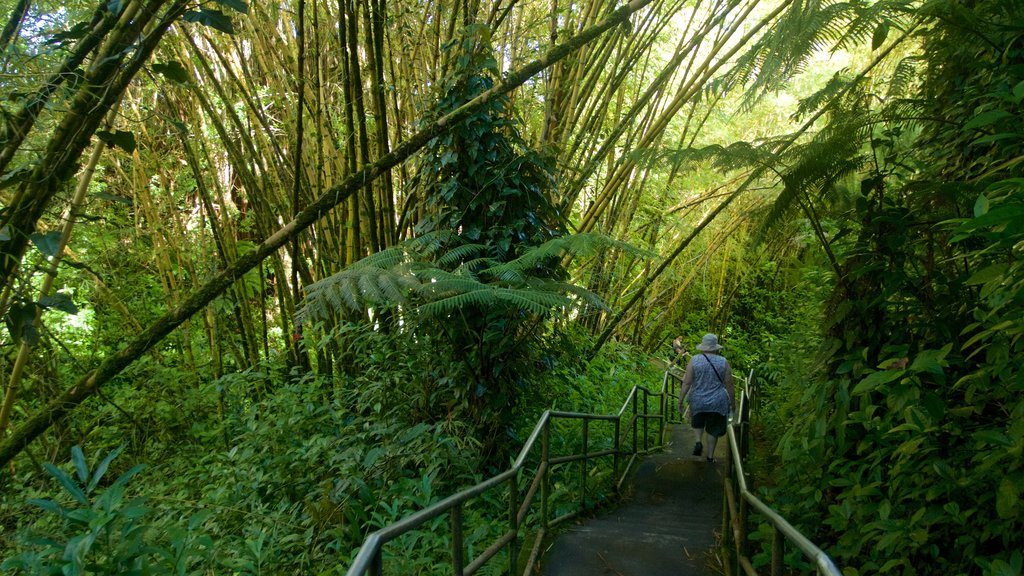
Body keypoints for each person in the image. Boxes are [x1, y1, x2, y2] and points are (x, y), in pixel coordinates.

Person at [677, 333, 735, 463]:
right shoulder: (723, 362)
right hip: (717, 401)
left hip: (697, 400)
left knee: (698, 422)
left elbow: (687, 382)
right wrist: (732, 403)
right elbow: (729, 384)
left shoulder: (695, 360)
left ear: (703, 347)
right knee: (713, 430)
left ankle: (698, 441)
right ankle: (710, 457)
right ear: (716, 347)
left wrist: (680, 401)